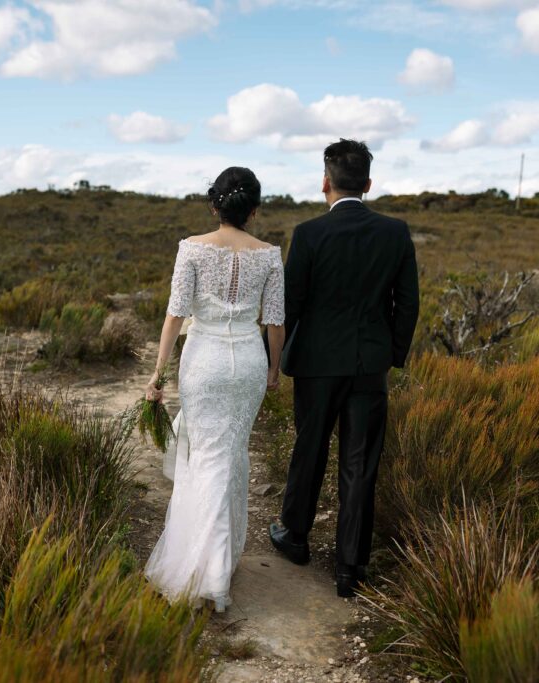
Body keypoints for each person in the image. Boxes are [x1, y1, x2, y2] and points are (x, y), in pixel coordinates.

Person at [268, 139, 419, 598]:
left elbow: (291, 302)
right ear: (368, 184)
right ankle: (350, 568)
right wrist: (390, 353)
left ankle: (295, 537)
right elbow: (408, 302)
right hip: (369, 365)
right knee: (360, 464)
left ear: (325, 183)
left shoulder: (309, 233)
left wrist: (273, 360)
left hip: (315, 364)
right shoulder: (395, 232)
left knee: (309, 448)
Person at [144, 166, 285, 612]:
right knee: (231, 455)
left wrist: (157, 372)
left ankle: (202, 564)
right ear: (255, 210)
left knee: (206, 455)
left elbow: (174, 315)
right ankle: (218, 565)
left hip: (202, 361)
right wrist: (274, 370)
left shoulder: (191, 249)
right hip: (247, 361)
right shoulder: (270, 255)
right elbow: (275, 322)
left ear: (214, 204)